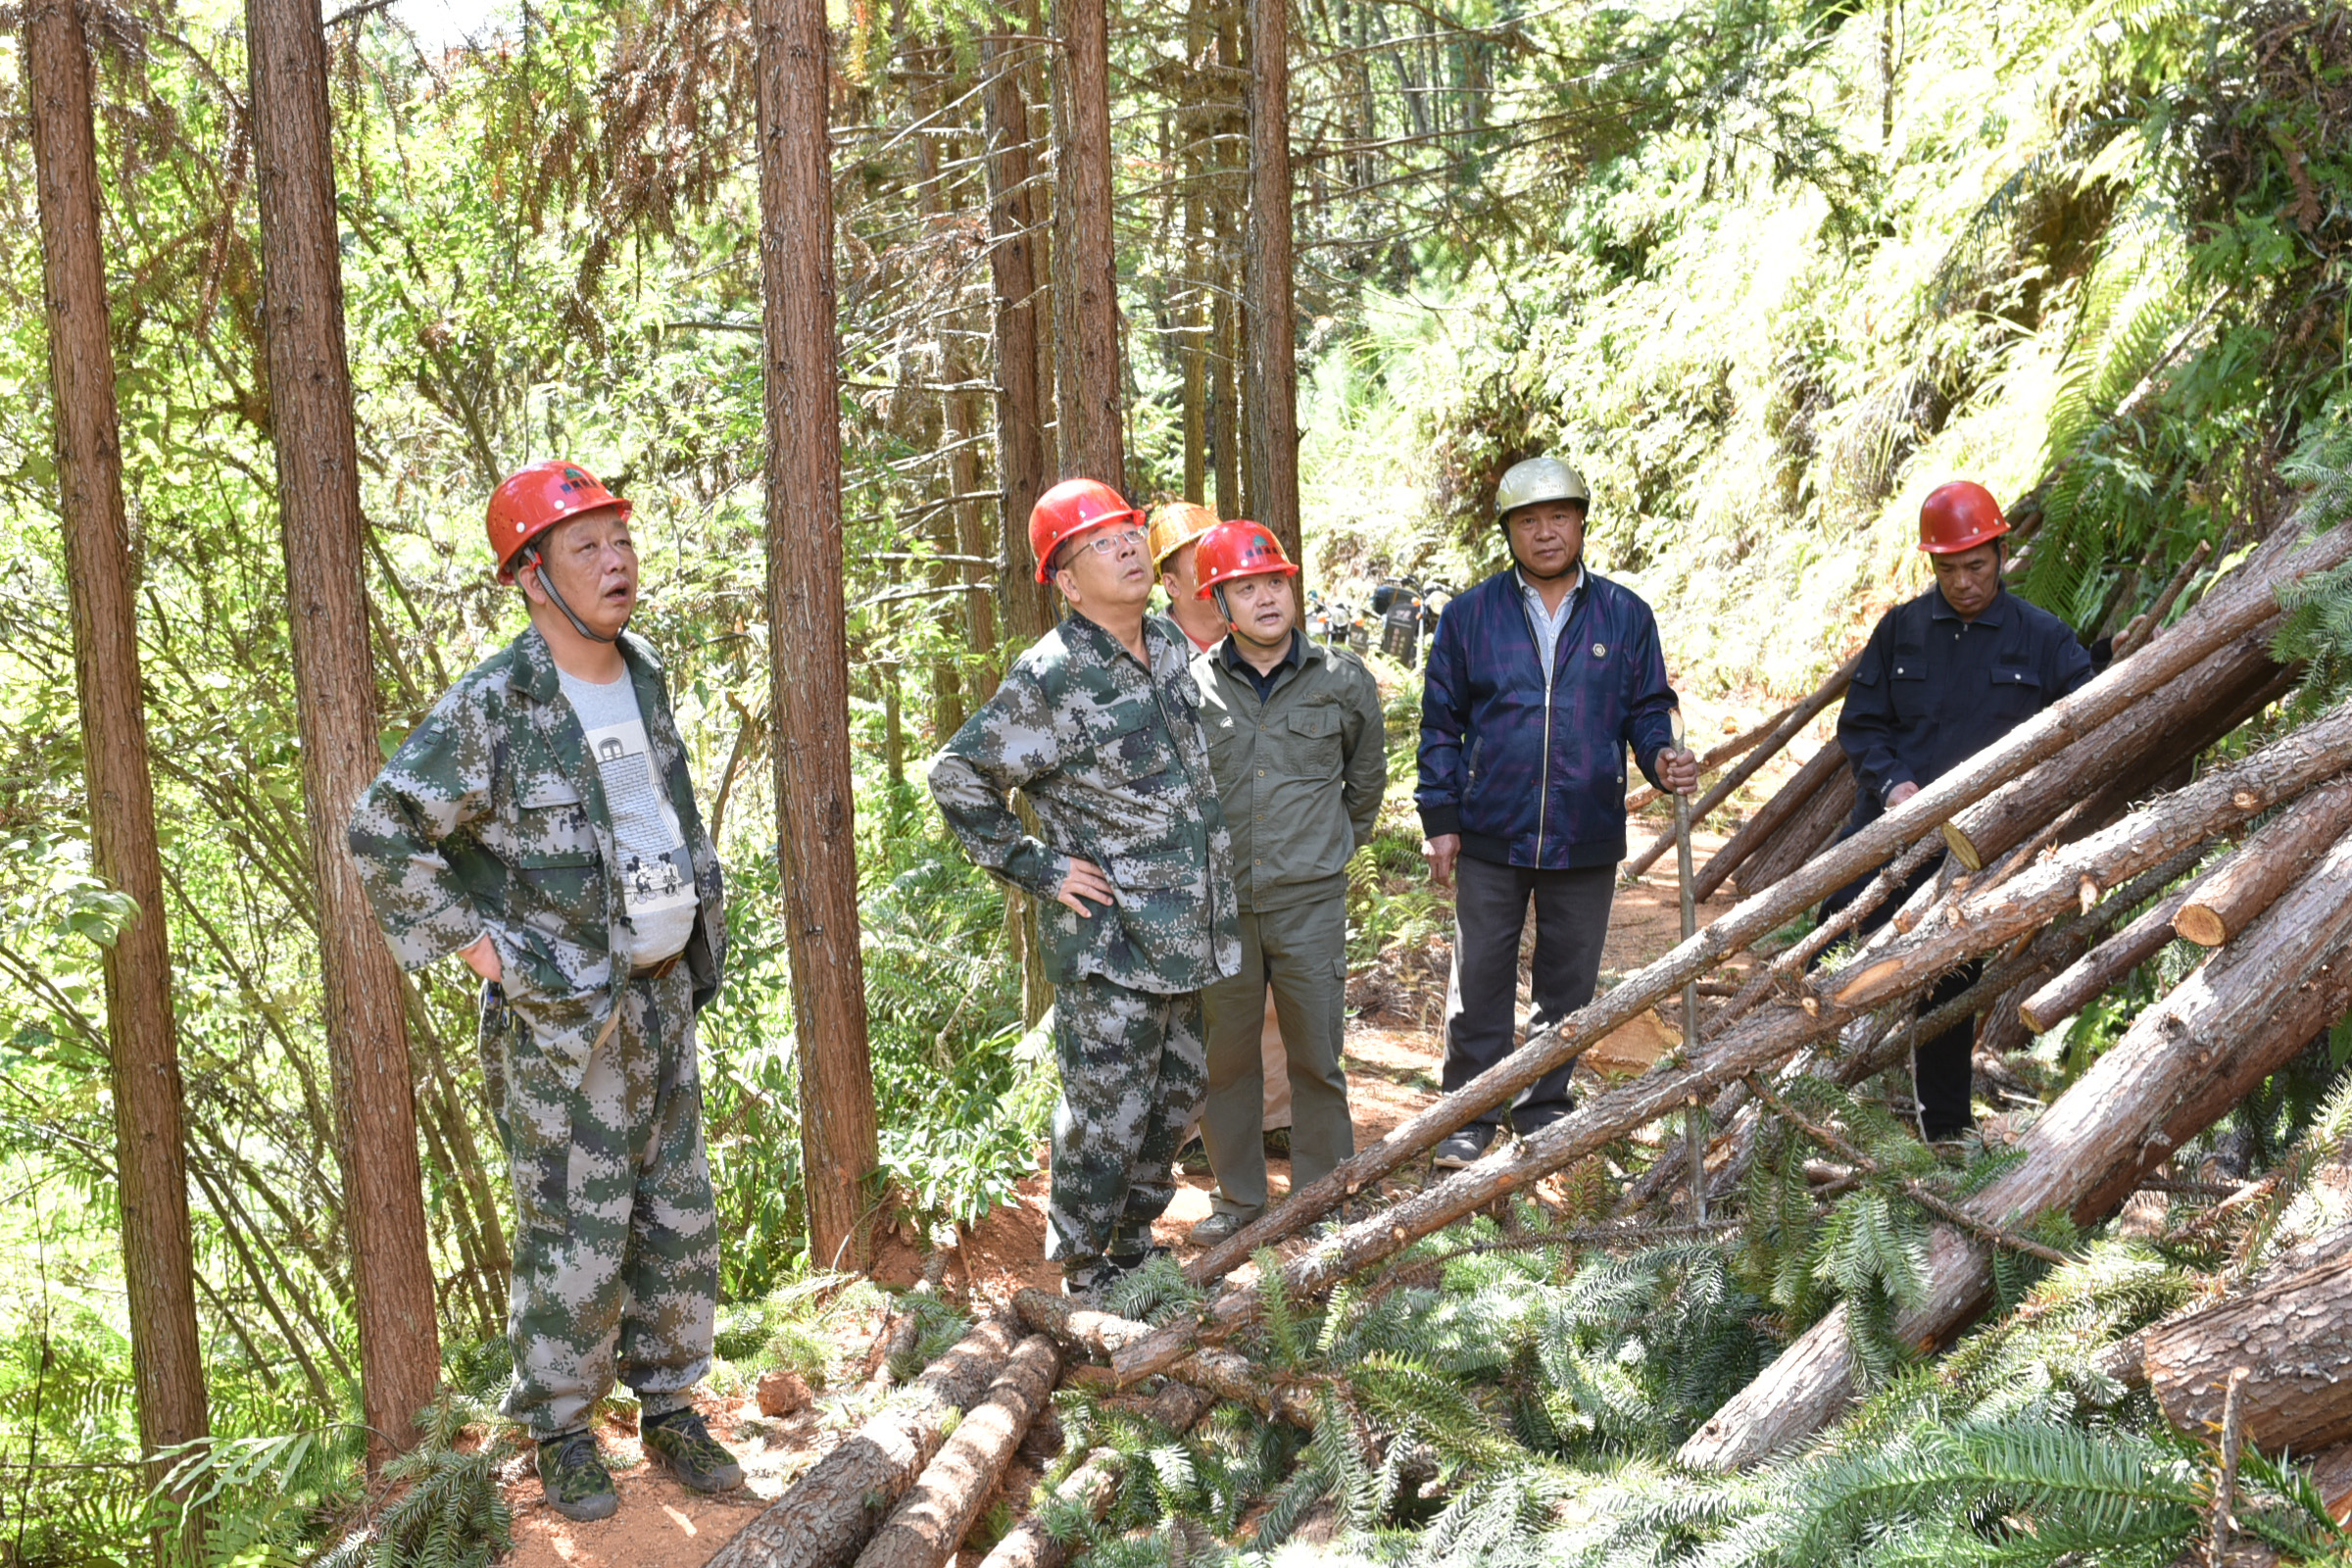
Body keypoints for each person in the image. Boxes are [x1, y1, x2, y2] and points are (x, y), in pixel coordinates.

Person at [347, 461, 741, 1523]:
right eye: (587, 547)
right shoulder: (497, 702)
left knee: (675, 1211)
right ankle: (563, 1430)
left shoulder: (641, 670)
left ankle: (672, 1409)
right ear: (531, 575)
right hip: (564, 1023)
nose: (616, 562)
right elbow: (382, 830)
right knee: (573, 1225)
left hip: (659, 993)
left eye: (621, 539)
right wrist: (492, 957)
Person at [929, 477, 1241, 1295]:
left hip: (1182, 933)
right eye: (1100, 544)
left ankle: (1133, 1250)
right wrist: (1038, 866)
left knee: (1173, 1107)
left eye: (1128, 534)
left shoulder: (1169, 644)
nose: (1129, 548)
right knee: (1105, 1119)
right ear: (1066, 582)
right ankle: (1082, 1274)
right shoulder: (1052, 677)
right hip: (1111, 943)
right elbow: (958, 773)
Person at [1416, 457, 1699, 1167]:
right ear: (1509, 533)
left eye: (1558, 517)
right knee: (1477, 979)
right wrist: (1441, 819)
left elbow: (1647, 707)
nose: (1545, 533)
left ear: (1581, 522)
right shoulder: (1469, 616)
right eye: (1528, 521)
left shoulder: (1625, 615)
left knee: (1566, 987)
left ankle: (1543, 1110)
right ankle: (1470, 1114)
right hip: (1490, 830)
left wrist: (1660, 757)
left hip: (1585, 831)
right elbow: (1440, 725)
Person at [1831, 480, 2094, 1140]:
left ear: (2002, 554)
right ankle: (1822, 1114)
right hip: (1885, 837)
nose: (1963, 581)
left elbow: (2089, 727)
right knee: (1835, 959)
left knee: (1948, 991)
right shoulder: (1901, 633)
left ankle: (1942, 1137)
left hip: (1973, 852)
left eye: (1975, 566)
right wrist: (1893, 787)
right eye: (1947, 568)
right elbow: (1861, 726)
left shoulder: (2045, 641)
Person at [1183, 521, 1386, 1244]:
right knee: (1227, 1062)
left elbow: (1365, 784)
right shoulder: (1191, 687)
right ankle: (1239, 1203)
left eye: (1275, 582)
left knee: (1316, 1057)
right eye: (1246, 587)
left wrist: (1324, 853)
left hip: (1310, 905)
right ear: (1219, 602)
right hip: (1224, 910)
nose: (1266, 598)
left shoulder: (1342, 680)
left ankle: (1321, 1202)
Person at [1151, 501, 1295, 1145]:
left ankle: (1275, 1119)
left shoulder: (1263, 641)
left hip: (1262, 850)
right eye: (1194, 563)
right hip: (1179, 859)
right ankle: (1193, 1135)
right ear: (1172, 584)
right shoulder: (1151, 655)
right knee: (1191, 1001)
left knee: (1268, 991)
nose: (1215, 571)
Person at [1150, 501, 1228, 654]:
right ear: (1171, 585)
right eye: (1202, 562)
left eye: (1219, 556)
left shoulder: (1252, 631)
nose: (1217, 569)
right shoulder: (1154, 652)